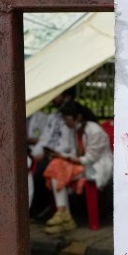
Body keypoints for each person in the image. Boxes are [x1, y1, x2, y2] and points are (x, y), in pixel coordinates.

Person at [41, 101, 114, 234]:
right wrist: (60, 156)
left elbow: (89, 159)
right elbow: (75, 153)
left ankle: (63, 214)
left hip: (96, 167)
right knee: (55, 165)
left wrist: (65, 157)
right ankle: (64, 214)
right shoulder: (75, 129)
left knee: (57, 168)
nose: (64, 121)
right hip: (82, 164)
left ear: (78, 117)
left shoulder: (95, 131)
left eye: (66, 118)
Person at [28, 87, 77, 220]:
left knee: (39, 173)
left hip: (61, 156)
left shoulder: (71, 117)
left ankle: (42, 210)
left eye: (58, 94)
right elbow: (44, 139)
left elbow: (68, 145)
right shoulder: (53, 117)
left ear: (67, 97)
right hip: (46, 153)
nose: (54, 97)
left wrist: (48, 154)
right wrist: (34, 154)